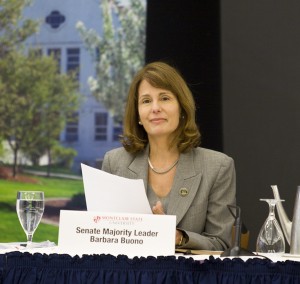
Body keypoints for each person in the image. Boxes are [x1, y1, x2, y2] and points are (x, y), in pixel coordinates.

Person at [101, 61, 236, 250]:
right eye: (146, 101)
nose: (155, 108)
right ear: (138, 115)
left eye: (164, 98)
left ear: (181, 108)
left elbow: (222, 244)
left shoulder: (218, 167)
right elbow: (99, 236)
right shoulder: (114, 163)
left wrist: (178, 237)